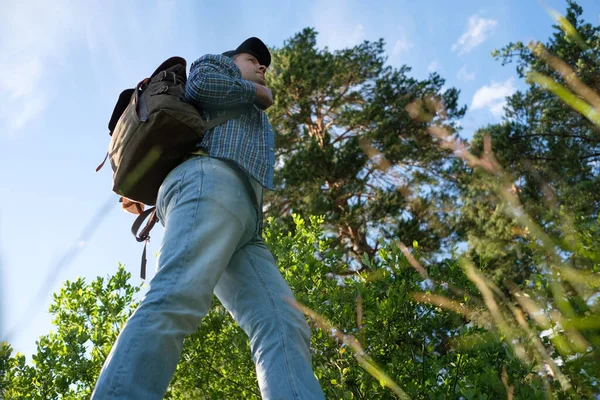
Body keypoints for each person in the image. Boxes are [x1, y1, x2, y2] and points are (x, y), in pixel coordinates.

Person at [91, 37, 325, 399]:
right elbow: (202, 84)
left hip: (245, 223)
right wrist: (254, 92)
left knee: (283, 323)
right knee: (176, 296)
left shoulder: (249, 104)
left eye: (264, 65)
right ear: (234, 60)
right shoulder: (216, 65)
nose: (262, 67)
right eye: (253, 59)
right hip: (208, 181)